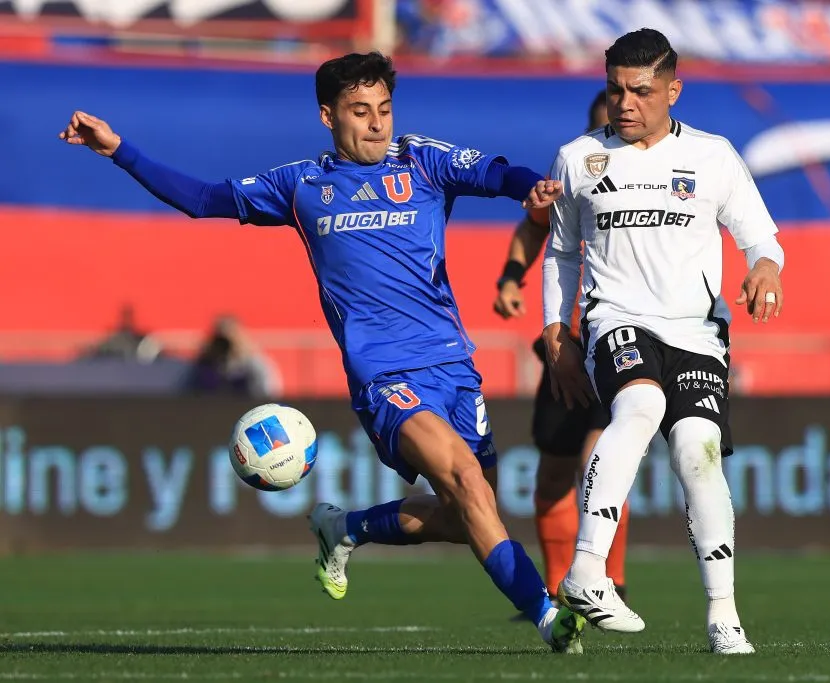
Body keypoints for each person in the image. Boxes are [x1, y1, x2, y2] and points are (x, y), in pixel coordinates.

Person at [59, 51, 585, 654]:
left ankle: (346, 527)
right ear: (327, 115)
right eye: (360, 112)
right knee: (467, 482)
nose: (377, 124)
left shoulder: (420, 160)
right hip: (384, 375)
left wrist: (532, 189)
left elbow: (497, 173)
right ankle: (550, 616)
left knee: (467, 512)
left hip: (453, 366)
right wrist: (117, 149)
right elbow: (203, 199)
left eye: (384, 109)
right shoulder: (301, 185)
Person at [541, 29, 785, 654]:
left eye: (641, 91)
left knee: (697, 453)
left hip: (697, 332)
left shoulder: (713, 157)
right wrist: (555, 331)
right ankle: (588, 569)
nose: (625, 103)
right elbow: (562, 253)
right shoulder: (579, 158)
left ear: (672, 90)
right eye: (616, 89)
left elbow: (760, 236)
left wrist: (763, 269)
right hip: (615, 319)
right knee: (641, 406)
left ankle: (723, 616)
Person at [493, 89, 630, 605]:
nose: (618, 124)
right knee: (553, 472)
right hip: (563, 346)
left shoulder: (660, 178)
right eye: (605, 123)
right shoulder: (573, 175)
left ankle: (610, 581)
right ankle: (555, 588)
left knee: (601, 459)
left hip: (619, 338)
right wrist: (510, 278)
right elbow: (533, 230)